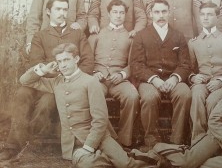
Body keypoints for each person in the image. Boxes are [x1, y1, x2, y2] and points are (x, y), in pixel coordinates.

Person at [18, 43, 159, 168]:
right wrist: (44, 69)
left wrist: (89, 147)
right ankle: (104, 158)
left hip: (98, 137)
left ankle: (140, 157)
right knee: (86, 164)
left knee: (125, 164)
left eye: (66, 60)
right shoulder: (56, 82)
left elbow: (100, 119)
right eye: (59, 61)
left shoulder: (90, 82)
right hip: (72, 142)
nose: (63, 65)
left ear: (76, 59)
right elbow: (25, 81)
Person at [0, 0, 94, 161]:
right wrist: (46, 69)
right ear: (49, 12)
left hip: (65, 84)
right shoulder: (40, 35)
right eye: (58, 9)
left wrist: (72, 78)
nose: (62, 13)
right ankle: (12, 146)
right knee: (22, 93)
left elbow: (88, 61)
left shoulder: (77, 34)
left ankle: (34, 145)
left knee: (47, 101)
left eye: (65, 9)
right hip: (43, 81)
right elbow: (36, 62)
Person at [130, 0, 192, 150]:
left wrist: (175, 78)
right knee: (150, 97)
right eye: (157, 12)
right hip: (149, 80)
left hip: (173, 79)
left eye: (164, 11)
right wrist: (153, 79)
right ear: (150, 14)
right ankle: (151, 141)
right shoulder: (141, 35)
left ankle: (177, 141)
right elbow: (136, 65)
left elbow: (185, 64)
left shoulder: (178, 35)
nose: (161, 15)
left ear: (169, 13)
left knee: (184, 94)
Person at [188, 2, 222, 143]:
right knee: (197, 94)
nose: (205, 18)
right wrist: (193, 77)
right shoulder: (193, 43)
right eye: (202, 14)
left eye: (210, 14)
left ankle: (213, 139)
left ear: (217, 17)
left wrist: (220, 81)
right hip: (203, 83)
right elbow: (189, 68)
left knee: (213, 100)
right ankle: (197, 139)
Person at [88, 0, 139, 148]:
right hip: (98, 78)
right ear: (109, 14)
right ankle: (103, 137)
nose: (118, 15)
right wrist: (94, 72)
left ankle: (124, 140)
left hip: (119, 79)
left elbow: (133, 63)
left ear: (125, 15)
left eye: (122, 13)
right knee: (93, 93)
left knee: (132, 96)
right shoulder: (97, 34)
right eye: (115, 12)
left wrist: (123, 74)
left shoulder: (131, 37)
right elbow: (87, 58)